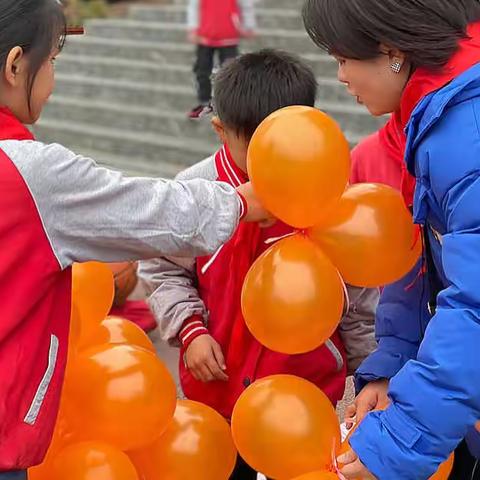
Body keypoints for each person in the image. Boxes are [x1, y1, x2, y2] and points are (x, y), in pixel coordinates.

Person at [0, 1, 271, 477]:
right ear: (16, 65)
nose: (53, 80)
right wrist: (243, 203)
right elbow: (152, 211)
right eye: (52, 63)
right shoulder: (29, 174)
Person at [139, 49, 379, 480]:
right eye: (256, 144)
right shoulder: (196, 192)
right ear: (220, 130)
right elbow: (162, 270)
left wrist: (371, 376)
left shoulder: (331, 199)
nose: (272, 156)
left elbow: (360, 301)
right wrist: (190, 330)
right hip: (218, 392)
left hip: (301, 402)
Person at [302, 0, 480, 478]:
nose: (340, 77)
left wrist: (401, 438)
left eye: (342, 59)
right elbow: (420, 258)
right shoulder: (432, 117)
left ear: (391, 51)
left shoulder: (467, 135)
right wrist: (393, 361)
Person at [186, 0, 256, 119]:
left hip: (228, 34)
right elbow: (194, 6)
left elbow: (245, 5)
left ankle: (229, 105)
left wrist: (249, 26)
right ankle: (204, 102)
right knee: (202, 70)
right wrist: (192, 28)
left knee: (231, 73)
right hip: (205, 34)